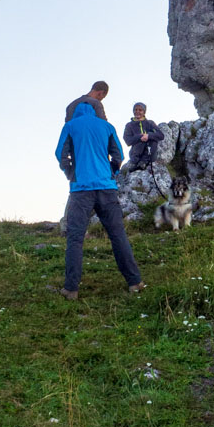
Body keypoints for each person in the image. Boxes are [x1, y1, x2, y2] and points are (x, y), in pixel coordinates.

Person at [54, 102, 144, 300]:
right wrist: (111, 172)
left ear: (75, 113)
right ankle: (135, 282)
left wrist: (71, 173)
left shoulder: (70, 126)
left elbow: (61, 154)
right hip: (106, 188)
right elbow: (118, 155)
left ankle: (71, 289)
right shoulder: (107, 127)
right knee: (118, 235)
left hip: (81, 190)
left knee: (75, 238)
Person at [123, 103, 165, 172]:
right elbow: (128, 141)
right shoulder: (129, 125)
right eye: (135, 110)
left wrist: (148, 135)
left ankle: (143, 163)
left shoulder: (150, 123)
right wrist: (140, 136)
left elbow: (161, 135)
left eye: (140, 110)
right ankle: (138, 164)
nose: (137, 112)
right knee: (141, 140)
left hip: (149, 154)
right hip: (136, 155)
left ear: (144, 112)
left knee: (153, 140)